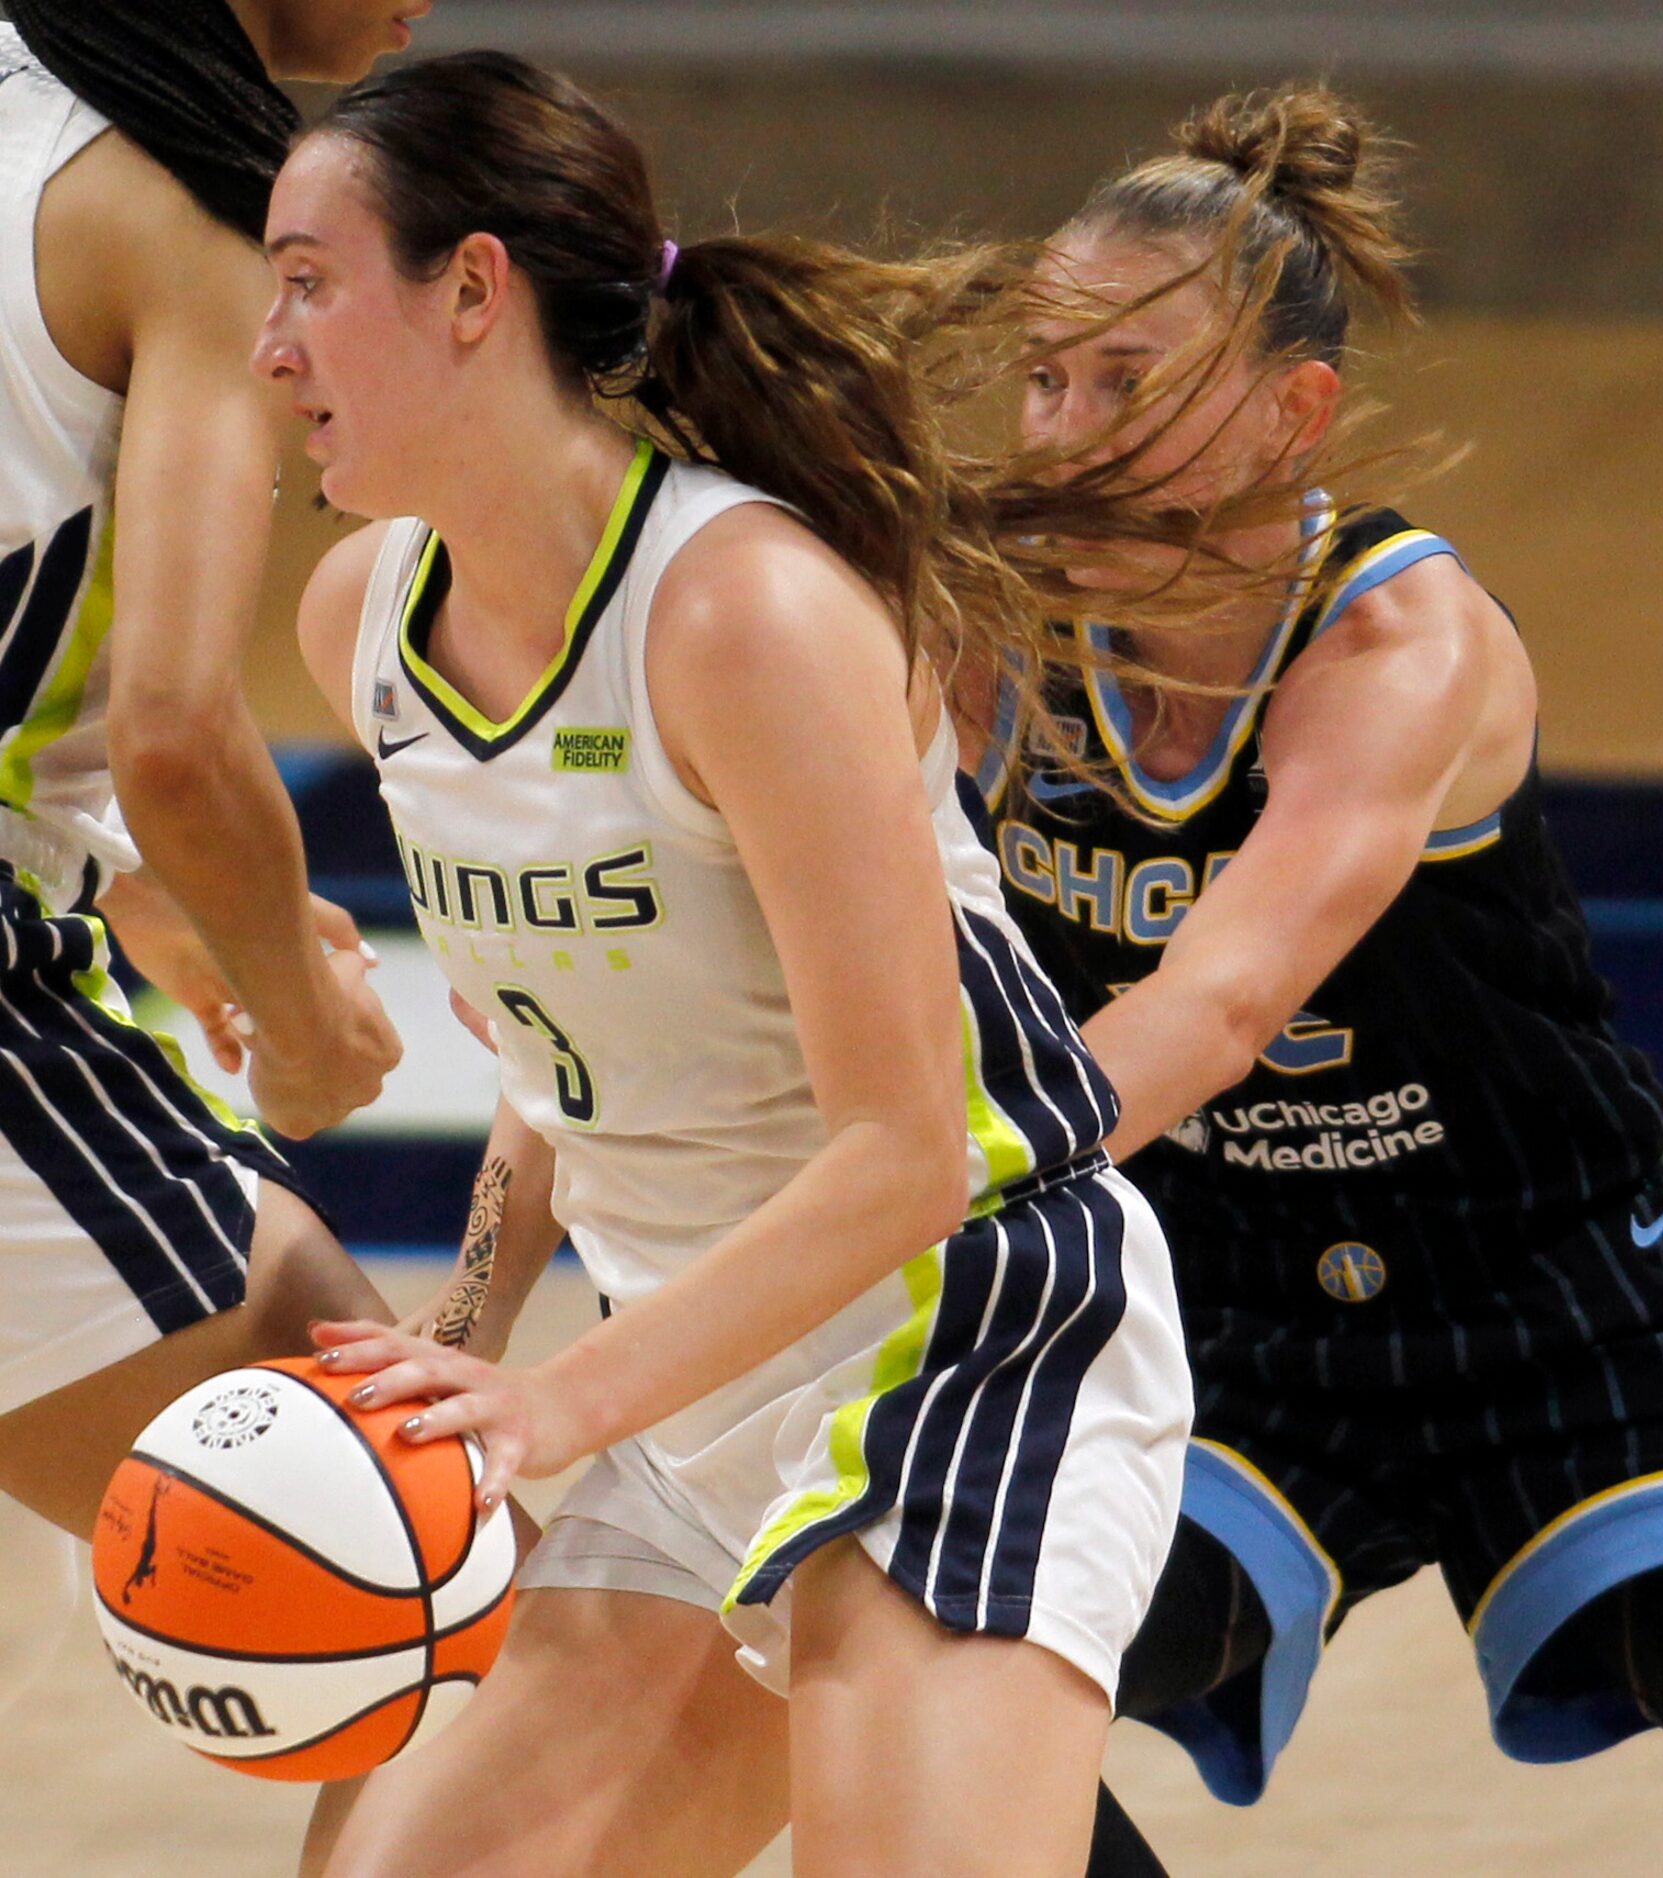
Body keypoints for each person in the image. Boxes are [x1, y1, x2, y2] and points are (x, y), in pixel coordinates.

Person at [255, 49, 1194, 1877]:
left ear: (471, 292)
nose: (270, 343)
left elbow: (912, 1148)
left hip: (961, 1348)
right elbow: (550, 1062)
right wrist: (462, 1347)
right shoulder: (363, 619)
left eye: (308, 279)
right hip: (697, 1375)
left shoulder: (739, 612)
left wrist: (555, 1403)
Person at [960, 83, 1663, 1850]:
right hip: (1233, 1306)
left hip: (1562, 1267)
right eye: (1048, 376)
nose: (1063, 430)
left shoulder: (1395, 635)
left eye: (1128, 383)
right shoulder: (982, 638)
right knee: (952, 1666)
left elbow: (1216, 1004)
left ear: (1297, 414)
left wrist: (923, 1178)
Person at [0, 0, 413, 1544]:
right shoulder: (172, 203)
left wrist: (111, 872)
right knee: (399, 1545)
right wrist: (300, 1035)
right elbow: (180, 734)